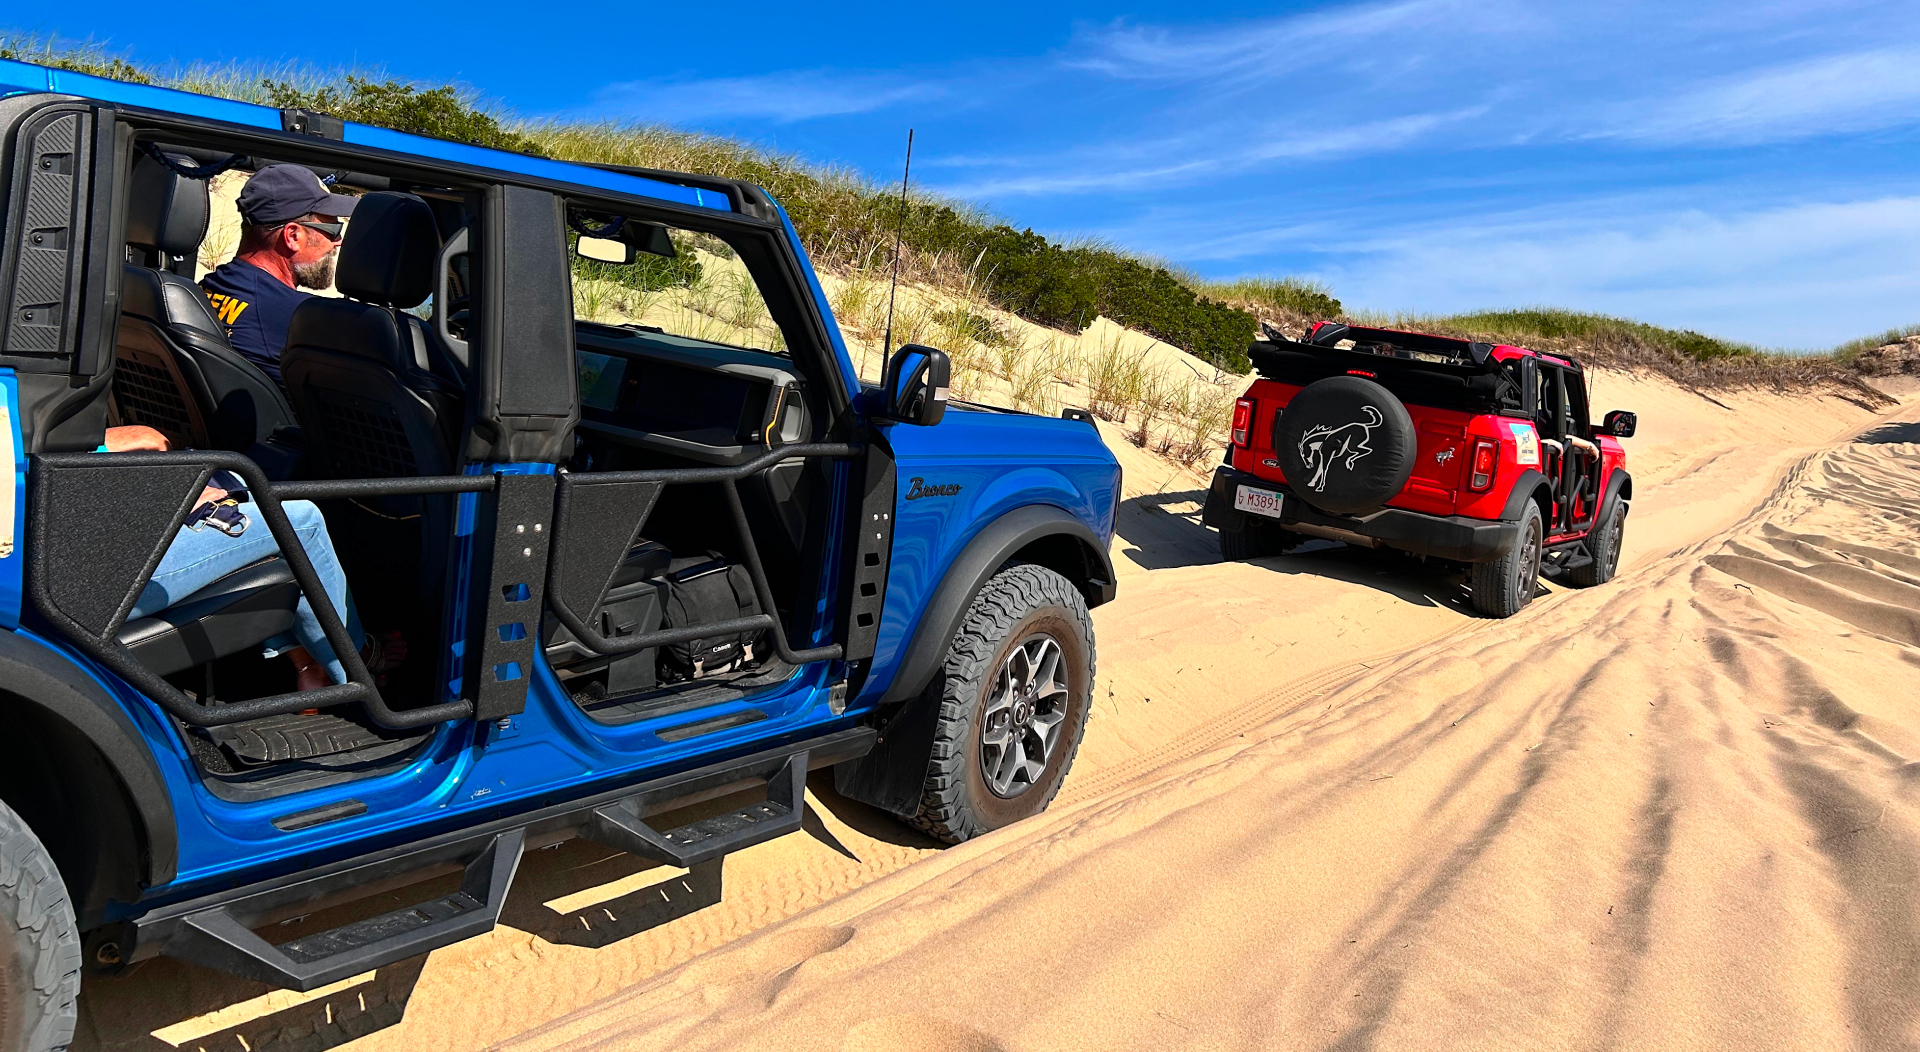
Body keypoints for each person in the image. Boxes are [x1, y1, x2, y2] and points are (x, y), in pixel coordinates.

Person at [105, 425, 402, 692]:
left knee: (235, 485)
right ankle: (355, 662)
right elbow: (147, 441)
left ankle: (308, 664)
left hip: (96, 551)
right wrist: (102, 444)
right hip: (104, 575)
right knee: (302, 524)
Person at [199, 164, 359, 384]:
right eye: (333, 231)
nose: (338, 242)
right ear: (293, 236)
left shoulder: (205, 289)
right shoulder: (301, 319)